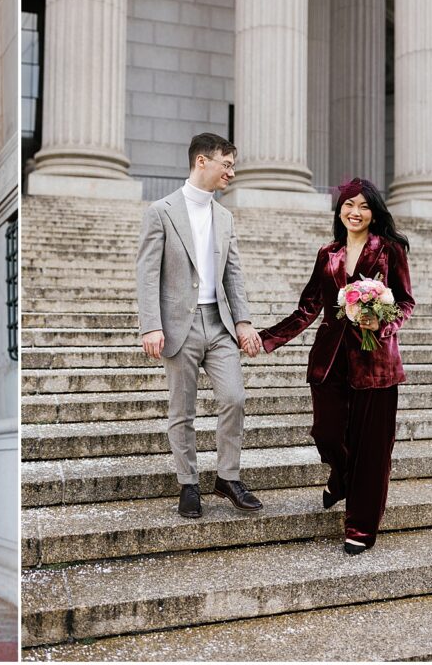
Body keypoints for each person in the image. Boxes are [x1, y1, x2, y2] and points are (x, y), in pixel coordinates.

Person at [257, 178, 415, 554]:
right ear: (339, 209)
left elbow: (405, 302)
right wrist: (267, 338)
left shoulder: (390, 250)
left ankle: (360, 527)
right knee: (327, 433)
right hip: (330, 361)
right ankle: (342, 478)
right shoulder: (328, 252)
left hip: (376, 361)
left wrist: (383, 323)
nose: (355, 212)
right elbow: (308, 306)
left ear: (373, 212)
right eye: (348, 204)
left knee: (372, 449)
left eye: (363, 205)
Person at [136, 132, 264, 519]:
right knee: (182, 410)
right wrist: (150, 325)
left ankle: (227, 477)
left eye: (234, 165)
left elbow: (234, 276)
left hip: (219, 324)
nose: (232, 172)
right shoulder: (161, 211)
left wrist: (243, 322)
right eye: (227, 164)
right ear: (202, 162)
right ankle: (188, 484)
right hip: (179, 325)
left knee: (234, 398)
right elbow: (146, 273)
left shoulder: (224, 216)